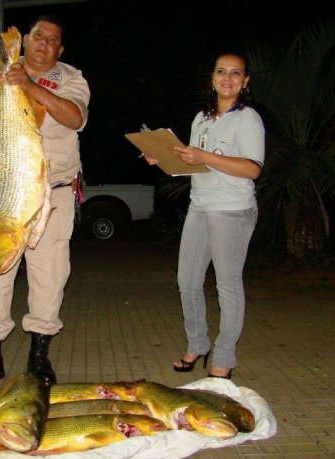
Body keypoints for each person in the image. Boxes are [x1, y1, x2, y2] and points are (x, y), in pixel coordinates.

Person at [0, 15, 90, 390]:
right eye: (38, 36)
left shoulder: (71, 78)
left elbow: (75, 117)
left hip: (53, 192)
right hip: (4, 189)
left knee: (49, 275)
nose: (45, 42)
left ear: (60, 49)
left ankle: (39, 355)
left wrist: (29, 86)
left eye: (53, 39)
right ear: (27, 40)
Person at [145, 52, 264, 380]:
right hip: (200, 206)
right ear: (212, 78)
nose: (227, 79)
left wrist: (204, 156)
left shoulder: (248, 119)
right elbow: (192, 164)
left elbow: (252, 168)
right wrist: (166, 157)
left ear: (245, 81)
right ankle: (197, 343)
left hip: (232, 210)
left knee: (226, 284)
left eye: (235, 73)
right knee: (187, 281)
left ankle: (224, 357)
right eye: (221, 72)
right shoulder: (201, 118)